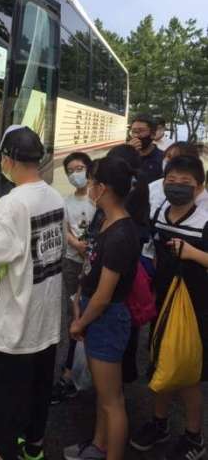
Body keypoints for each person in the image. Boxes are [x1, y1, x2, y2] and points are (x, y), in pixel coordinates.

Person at [0, 125, 65, 460]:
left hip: (12, 329)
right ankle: (34, 448)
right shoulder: (54, 197)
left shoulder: (10, 205)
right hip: (45, 321)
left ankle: (5, 453)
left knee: (2, 404)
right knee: (38, 392)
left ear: (7, 159)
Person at [130, 156, 208, 460]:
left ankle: (194, 436)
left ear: (199, 187)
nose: (176, 187)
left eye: (185, 183)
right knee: (160, 363)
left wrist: (192, 253)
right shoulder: (160, 212)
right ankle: (159, 423)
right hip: (162, 304)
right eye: (171, 181)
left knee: (188, 375)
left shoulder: (204, 220)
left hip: (196, 310)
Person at [63, 157, 141, 460]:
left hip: (106, 319)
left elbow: (104, 296)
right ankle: (98, 445)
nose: (89, 185)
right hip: (96, 315)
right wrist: (79, 303)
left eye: (92, 181)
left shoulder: (121, 234)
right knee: (103, 393)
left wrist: (80, 323)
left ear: (102, 188)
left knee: (112, 401)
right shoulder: (106, 219)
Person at [52, 152, 95, 404]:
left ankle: (81, 369)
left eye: (79, 168)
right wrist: (76, 245)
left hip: (93, 264)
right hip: (72, 262)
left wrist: (89, 250)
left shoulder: (98, 199)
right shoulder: (65, 202)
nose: (75, 174)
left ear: (89, 169)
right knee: (74, 314)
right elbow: (65, 230)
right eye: (70, 170)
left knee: (90, 312)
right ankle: (71, 369)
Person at [107, 144, 150, 385]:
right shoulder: (139, 186)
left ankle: (114, 376)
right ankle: (125, 371)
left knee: (117, 316)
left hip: (119, 276)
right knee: (129, 320)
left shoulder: (119, 213)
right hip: (133, 270)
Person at [148, 142, 208, 216]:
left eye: (178, 159)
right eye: (168, 156)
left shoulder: (201, 196)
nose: (170, 162)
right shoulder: (152, 187)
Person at [128, 114, 164, 183]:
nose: (136, 135)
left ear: (153, 134)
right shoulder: (125, 154)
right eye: (134, 131)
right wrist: (127, 152)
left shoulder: (162, 158)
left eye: (141, 131)